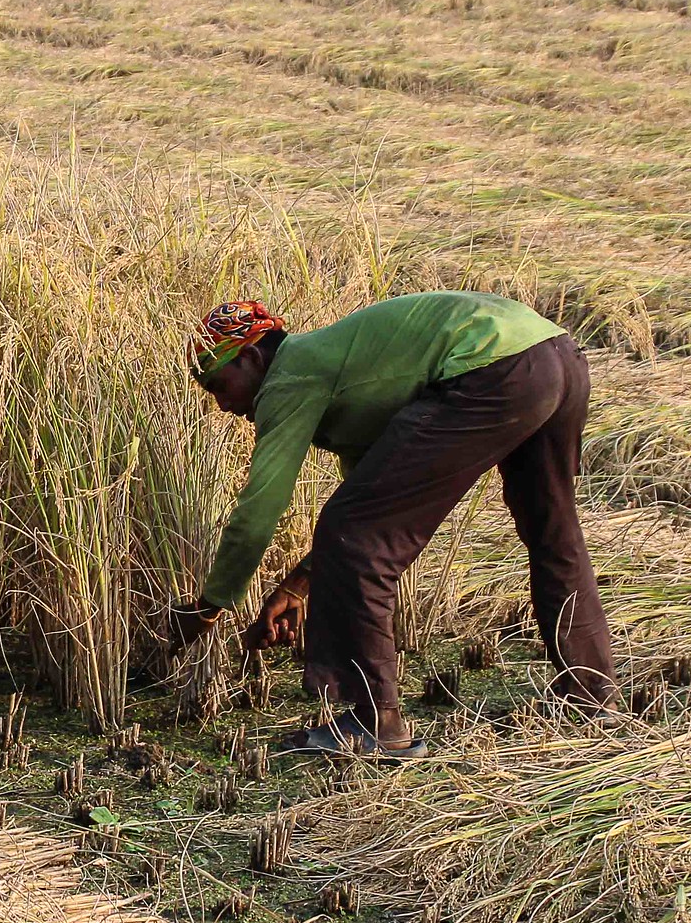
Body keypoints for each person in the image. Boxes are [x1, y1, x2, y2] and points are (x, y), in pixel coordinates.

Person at [165, 292, 618, 759]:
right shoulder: (343, 373)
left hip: (491, 370)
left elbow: (259, 510)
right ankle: (592, 696)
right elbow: (371, 509)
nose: (221, 404)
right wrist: (300, 587)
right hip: (555, 356)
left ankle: (374, 723)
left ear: (252, 357)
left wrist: (211, 604)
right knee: (553, 534)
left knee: (357, 538)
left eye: (219, 384)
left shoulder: (291, 375)